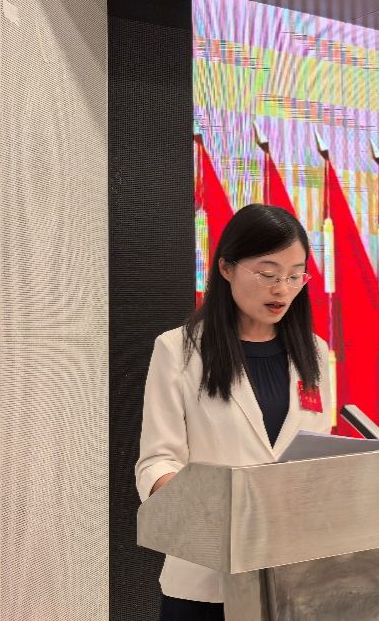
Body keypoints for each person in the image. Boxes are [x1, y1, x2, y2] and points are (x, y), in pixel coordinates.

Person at [135, 204, 331, 621]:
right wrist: (217, 511)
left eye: (295, 275)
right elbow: (156, 462)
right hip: (206, 578)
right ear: (226, 268)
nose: (282, 289)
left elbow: (317, 457)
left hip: (293, 576)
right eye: (268, 273)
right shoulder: (178, 350)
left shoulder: (315, 352)